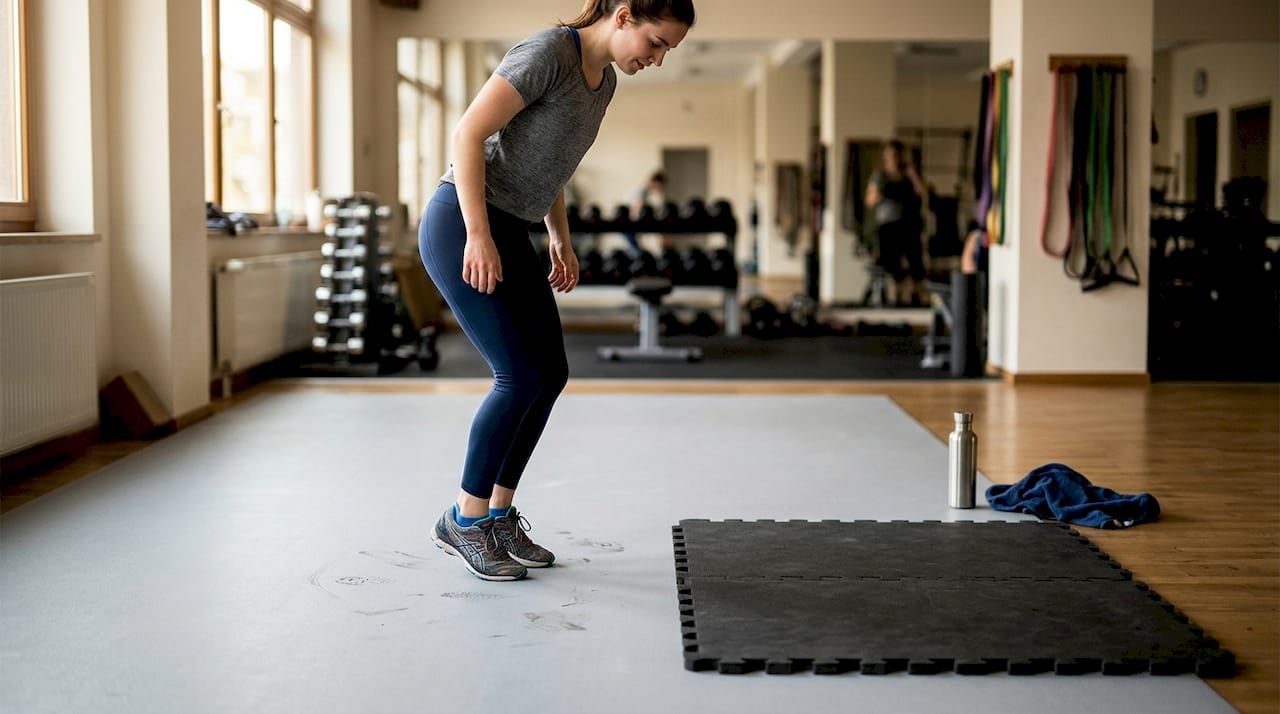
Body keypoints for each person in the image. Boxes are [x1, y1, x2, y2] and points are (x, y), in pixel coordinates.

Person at [417, 0, 695, 581]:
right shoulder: (548, 53)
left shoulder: (605, 84)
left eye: (669, 49)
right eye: (657, 42)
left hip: (512, 225)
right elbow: (467, 133)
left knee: (551, 373)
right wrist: (477, 234)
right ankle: (463, 521)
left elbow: (554, 168)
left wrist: (559, 240)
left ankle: (496, 513)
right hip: (461, 222)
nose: (660, 58)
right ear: (623, 17)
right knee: (516, 374)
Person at [865, 140, 928, 305]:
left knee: (915, 261)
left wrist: (912, 173)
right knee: (891, 264)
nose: (893, 159)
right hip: (888, 225)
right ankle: (895, 296)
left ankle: (916, 295)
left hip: (909, 224)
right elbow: (870, 199)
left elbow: (923, 192)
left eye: (896, 155)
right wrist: (879, 195)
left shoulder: (909, 175)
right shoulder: (880, 176)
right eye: (890, 155)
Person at [623, 170, 668, 254]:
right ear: (655, 182)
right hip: (628, 225)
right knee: (636, 253)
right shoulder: (642, 192)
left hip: (630, 225)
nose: (660, 189)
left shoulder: (644, 191)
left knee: (635, 251)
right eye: (660, 186)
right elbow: (636, 210)